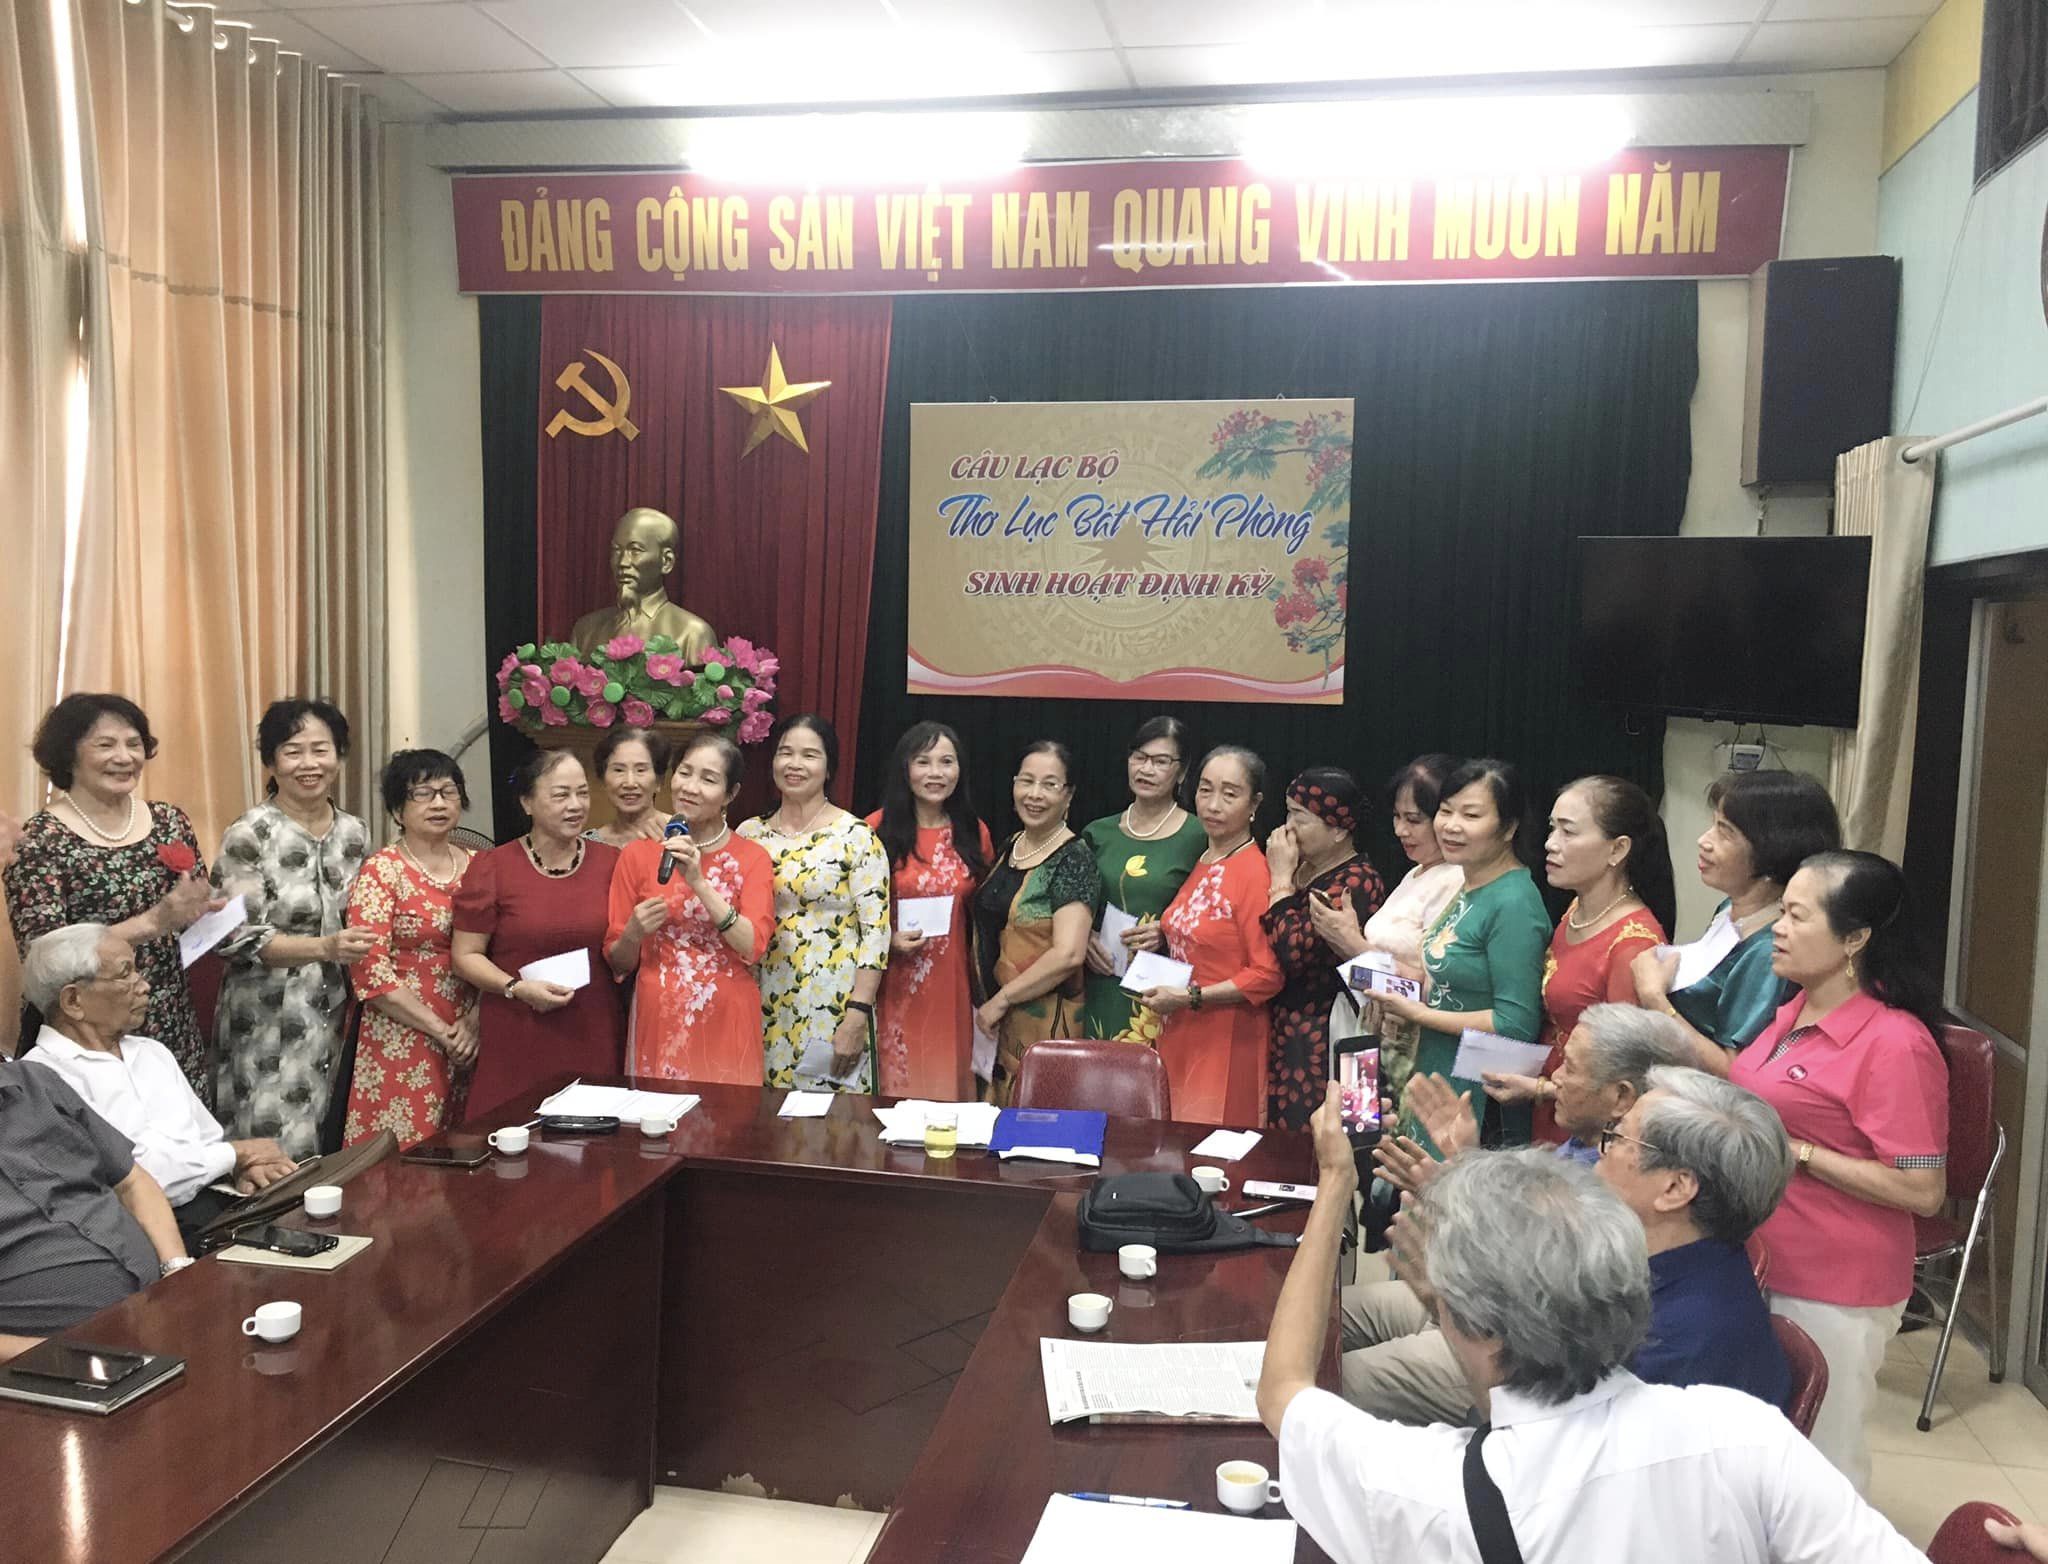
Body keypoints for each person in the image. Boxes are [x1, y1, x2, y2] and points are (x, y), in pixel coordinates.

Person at [1257, 1092, 1924, 1564]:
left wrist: (1336, 1181)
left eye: (1618, 1140)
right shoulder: (1746, 1433)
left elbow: (1284, 1391)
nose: (1600, 1153)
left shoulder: (1432, 1492)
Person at [1347, 1005, 1774, 1423]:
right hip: (1504, 1333)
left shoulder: (1675, 1342)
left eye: (1617, 1139)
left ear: (1675, 1189)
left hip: (1512, 1390)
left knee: (1342, 1379)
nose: (1601, 1154)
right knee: (1342, 1316)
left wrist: (1446, 1307)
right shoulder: (1653, 1257)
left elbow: (1535, 1437)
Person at [1730, 850, 1950, 1494]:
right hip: (1764, 1256)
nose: (1779, 928)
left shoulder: (1895, 1043)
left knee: (1821, 1469)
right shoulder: (1794, 1011)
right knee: (1761, 1458)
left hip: (1834, 1279)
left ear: (1855, 939)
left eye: (1798, 917)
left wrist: (1797, 1151)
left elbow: (1923, 1190)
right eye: (1781, 911)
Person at [6, 694, 223, 1102]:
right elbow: (45, 958)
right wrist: (153, 923)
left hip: (168, 1014)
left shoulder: (169, 821)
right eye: (106, 745)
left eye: (134, 744)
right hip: (87, 1027)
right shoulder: (40, 839)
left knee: (181, 1132)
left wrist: (213, 913)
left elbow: (190, 913)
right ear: (69, 754)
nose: (124, 757)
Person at [21, 925, 296, 1237]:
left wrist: (241, 1170)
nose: (144, 985)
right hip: (138, 1237)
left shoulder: (151, 1052)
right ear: (73, 1001)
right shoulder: (40, 1079)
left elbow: (208, 1143)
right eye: (125, 974)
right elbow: (138, 1182)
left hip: (214, 1213)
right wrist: (237, 1154)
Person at [209, 698, 372, 1160]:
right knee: (274, 1146)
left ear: (339, 756)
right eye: (293, 751)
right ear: (271, 762)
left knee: (333, 1136)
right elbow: (233, 936)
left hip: (338, 1009)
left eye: (321, 750)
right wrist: (325, 947)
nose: (309, 764)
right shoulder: (250, 833)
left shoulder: (354, 833)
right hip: (266, 1014)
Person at [1375, 758, 1550, 1151]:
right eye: (1446, 811)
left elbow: (1515, 1023)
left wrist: (1419, 1014)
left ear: (1509, 827)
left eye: (1471, 815)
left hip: (1478, 1087)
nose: (1451, 826)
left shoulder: (1514, 902)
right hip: (1437, 1065)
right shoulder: (1470, 883)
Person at [1493, 776, 1673, 1143]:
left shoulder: (1633, 943)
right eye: (1552, 829)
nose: (1550, 844)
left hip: (1585, 1128)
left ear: (1617, 849)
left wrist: (1540, 1089)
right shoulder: (1577, 909)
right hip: (1552, 1101)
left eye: (1568, 832)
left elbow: (1622, 1077)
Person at [451, 751, 625, 1116]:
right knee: (511, 1136)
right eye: (561, 795)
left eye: (582, 793)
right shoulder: (493, 867)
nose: (575, 805)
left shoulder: (612, 862)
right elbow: (465, 956)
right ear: (527, 802)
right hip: (517, 1030)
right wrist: (515, 988)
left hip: (593, 1029)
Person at [1633, 770, 1840, 1072]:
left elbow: (1734, 1071)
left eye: (1724, 832)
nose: (1704, 841)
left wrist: (1655, 999)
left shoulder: (1771, 948)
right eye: (1713, 825)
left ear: (1772, 849)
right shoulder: (1730, 908)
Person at [0, 1051, 189, 1364]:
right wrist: (51, 1356)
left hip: (162, 1307)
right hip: (49, 1361)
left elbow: (132, 1182)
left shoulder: (35, 1082)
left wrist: (177, 1270)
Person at [607, 735, 774, 1085]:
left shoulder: (753, 857)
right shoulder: (638, 855)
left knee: (727, 1116)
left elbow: (753, 946)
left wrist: (699, 881)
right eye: (685, 773)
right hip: (659, 1015)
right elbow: (618, 962)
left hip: (727, 1015)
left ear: (730, 794)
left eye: (708, 779)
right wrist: (633, 934)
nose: (691, 787)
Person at [1132, 747, 1284, 1126]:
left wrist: (1191, 997)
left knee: (1210, 1146)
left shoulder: (1254, 872)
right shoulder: (1205, 859)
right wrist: (1164, 930)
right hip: (1181, 1027)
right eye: (1205, 790)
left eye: (1230, 794)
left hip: (1226, 1035)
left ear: (1255, 804)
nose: (1213, 805)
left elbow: (1267, 974)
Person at [738, 715, 889, 1092]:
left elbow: (875, 933)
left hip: (833, 1000)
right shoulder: (749, 834)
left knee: (832, 1117)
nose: (795, 764)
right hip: (762, 997)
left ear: (829, 767)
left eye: (809, 755)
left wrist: (857, 1013)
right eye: (785, 753)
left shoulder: (856, 836)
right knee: (765, 1113)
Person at [342, 751, 479, 1146]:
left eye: (448, 791)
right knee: (402, 1157)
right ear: (397, 810)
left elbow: (506, 953)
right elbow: (369, 971)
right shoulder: (381, 870)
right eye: (422, 793)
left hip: (472, 1035)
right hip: (401, 1035)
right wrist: (442, 1032)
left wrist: (474, 1022)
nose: (438, 803)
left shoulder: (481, 866)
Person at [1313, 754, 1463, 1106]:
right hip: (1367, 1027)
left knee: (1387, 1135)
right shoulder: (1415, 873)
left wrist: (1352, 943)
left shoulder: (1456, 880)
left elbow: (1432, 987)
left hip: (1407, 1048)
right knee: (1355, 1126)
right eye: (1397, 817)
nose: (1400, 830)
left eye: (1414, 820)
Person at [867, 722, 992, 1098]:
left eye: (946, 762)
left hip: (952, 987)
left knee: (945, 1098)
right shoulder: (874, 829)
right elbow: (852, 916)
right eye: (923, 762)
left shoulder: (974, 831)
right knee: (894, 1096)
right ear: (904, 768)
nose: (935, 773)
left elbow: (987, 915)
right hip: (891, 983)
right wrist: (885, 941)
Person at [972, 741, 1101, 1105]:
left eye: (1049, 784)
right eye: (1026, 781)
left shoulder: (1074, 859)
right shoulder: (1011, 845)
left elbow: (1069, 954)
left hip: (1043, 1025)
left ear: (1068, 795)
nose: (1034, 794)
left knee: (1035, 1120)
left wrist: (1002, 999)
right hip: (994, 1024)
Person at [1260, 769, 1385, 1130]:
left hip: (1335, 1033)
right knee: (1284, 1144)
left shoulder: (1357, 880)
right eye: (1287, 812)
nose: (1288, 828)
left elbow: (1293, 953)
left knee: (1337, 1138)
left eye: (1300, 817)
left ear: (1338, 830)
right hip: (1289, 1032)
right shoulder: (1301, 868)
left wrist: (1280, 882)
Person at [1077, 717, 1209, 1041]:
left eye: (1160, 761)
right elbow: (1073, 906)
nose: (1146, 769)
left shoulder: (1200, 835)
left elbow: (1212, 914)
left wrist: (1167, 930)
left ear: (1182, 772)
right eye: (1139, 757)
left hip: (1162, 991)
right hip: (1100, 980)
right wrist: (1084, 937)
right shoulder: (1097, 833)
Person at [567, 506, 716, 660]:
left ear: (666, 561)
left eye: (635, 550)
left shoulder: (693, 634)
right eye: (617, 550)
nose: (623, 562)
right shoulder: (586, 631)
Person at [586, 725, 671, 848]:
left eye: (640, 770)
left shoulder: (681, 834)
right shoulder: (589, 844)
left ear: (659, 781)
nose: (630, 783)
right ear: (603, 779)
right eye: (619, 770)